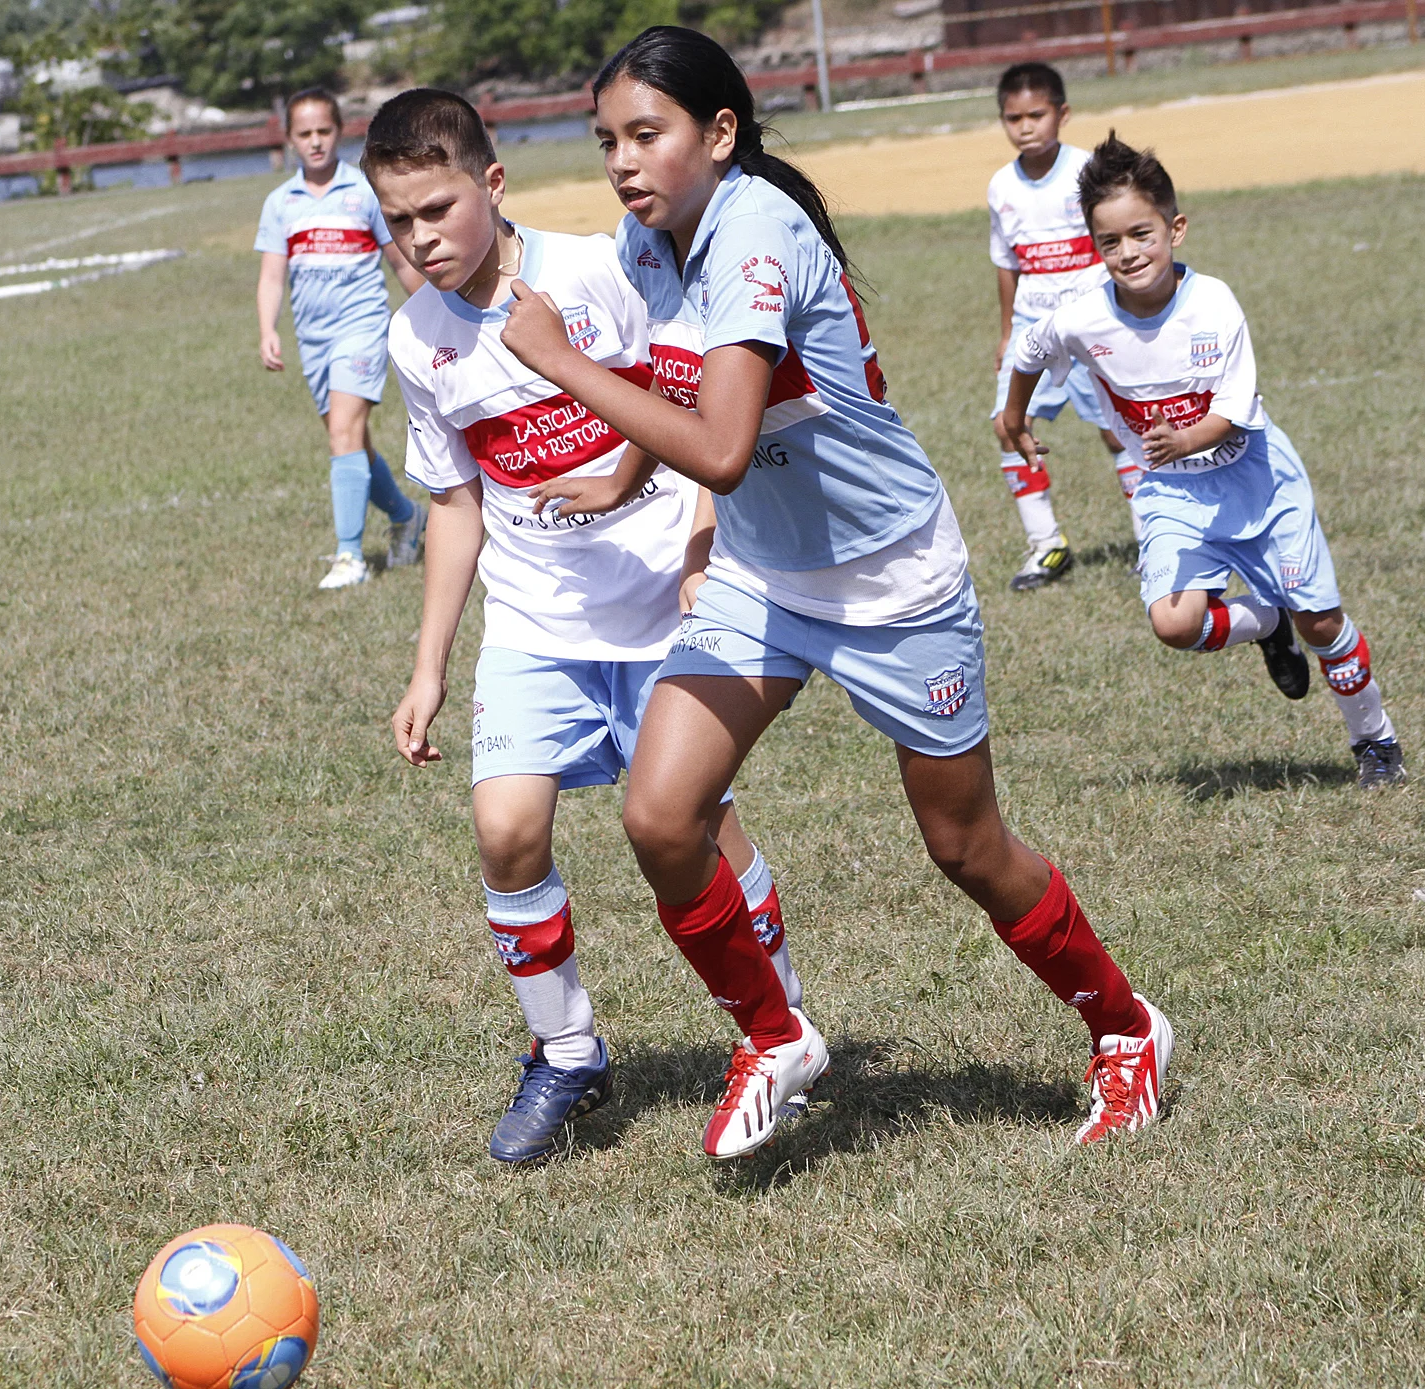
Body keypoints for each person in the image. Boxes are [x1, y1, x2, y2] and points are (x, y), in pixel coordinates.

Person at [498, 26, 1175, 1154]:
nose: (621, 161)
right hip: (763, 574)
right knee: (660, 814)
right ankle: (776, 1038)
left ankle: (1125, 1027)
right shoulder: (651, 236)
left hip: (890, 579)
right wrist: (620, 476)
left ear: (719, 133)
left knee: (965, 847)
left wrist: (560, 361)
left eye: (645, 134)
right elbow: (684, 388)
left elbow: (722, 447)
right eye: (606, 140)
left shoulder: (754, 229)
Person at [369, 88, 808, 1163]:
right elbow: (455, 505)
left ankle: (779, 1032)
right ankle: (566, 1052)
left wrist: (701, 544)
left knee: (699, 831)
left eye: (436, 209)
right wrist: (427, 668)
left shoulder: (599, 272)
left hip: (661, 608)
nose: (420, 239)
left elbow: (699, 404)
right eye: (397, 220)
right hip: (535, 623)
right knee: (505, 830)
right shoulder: (415, 338)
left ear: (492, 184)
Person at [1003, 135, 1408, 789]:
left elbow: (1232, 413)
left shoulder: (1213, 304)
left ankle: (1375, 741)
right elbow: (1028, 350)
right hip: (1172, 491)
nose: (1128, 253)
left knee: (1321, 622)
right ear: (1094, 246)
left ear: (1175, 229)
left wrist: (1185, 440)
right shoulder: (1082, 318)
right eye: (1109, 242)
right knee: (1173, 623)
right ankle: (1267, 622)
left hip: (1257, 479)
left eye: (1141, 234)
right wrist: (1014, 417)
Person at [255, 88, 430, 590]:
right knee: (353, 443)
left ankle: (350, 556)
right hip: (314, 339)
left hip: (362, 326)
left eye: (323, 131)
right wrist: (267, 329)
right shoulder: (280, 203)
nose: (315, 142)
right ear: (289, 140)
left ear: (340, 132)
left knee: (343, 436)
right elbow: (272, 275)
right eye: (304, 134)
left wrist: (438, 310)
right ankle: (407, 518)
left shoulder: (363, 191)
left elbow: (400, 261)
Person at [985, 62, 1134, 590]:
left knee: (1120, 431)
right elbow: (1007, 264)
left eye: (1037, 115)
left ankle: (1153, 537)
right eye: (1014, 118)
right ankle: (1046, 544)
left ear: (1062, 114)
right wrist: (1008, 331)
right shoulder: (1001, 186)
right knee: (1009, 425)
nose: (1026, 127)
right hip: (1034, 325)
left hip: (1093, 321)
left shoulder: (1087, 172)